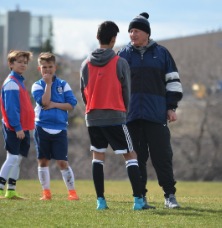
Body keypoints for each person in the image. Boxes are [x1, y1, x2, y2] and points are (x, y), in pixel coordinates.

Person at [80, 21, 152, 210]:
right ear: (114, 40)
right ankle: (138, 201)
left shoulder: (85, 64)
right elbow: (126, 91)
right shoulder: (120, 62)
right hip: (115, 116)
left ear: (97, 38)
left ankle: (100, 202)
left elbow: (83, 92)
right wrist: (123, 112)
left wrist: (91, 110)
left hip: (92, 116)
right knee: (131, 155)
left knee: (98, 156)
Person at [117, 12, 183, 209]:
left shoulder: (162, 53)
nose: (132, 34)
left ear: (146, 33)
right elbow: (115, 86)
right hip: (131, 116)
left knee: (162, 156)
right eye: (130, 31)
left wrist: (171, 107)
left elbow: (173, 83)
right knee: (137, 159)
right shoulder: (122, 55)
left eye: (136, 30)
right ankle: (141, 197)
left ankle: (169, 196)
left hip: (156, 115)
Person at [31, 52, 79, 201]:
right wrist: (48, 84)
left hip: (60, 128)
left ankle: (72, 193)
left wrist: (55, 104)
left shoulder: (64, 85)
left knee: (62, 162)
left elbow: (72, 104)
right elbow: (44, 102)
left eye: (50, 67)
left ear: (55, 67)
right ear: (40, 69)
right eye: (44, 67)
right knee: (43, 161)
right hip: (42, 127)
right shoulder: (37, 85)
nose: (47, 70)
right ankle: (46, 193)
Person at [0, 50, 35, 200]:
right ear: (11, 64)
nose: (23, 65)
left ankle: (11, 191)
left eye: (25, 62)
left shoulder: (19, 81)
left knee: (17, 159)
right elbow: (11, 108)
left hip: (22, 127)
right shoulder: (12, 83)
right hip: (15, 127)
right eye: (19, 62)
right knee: (12, 158)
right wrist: (18, 127)